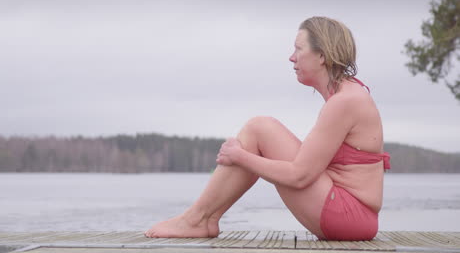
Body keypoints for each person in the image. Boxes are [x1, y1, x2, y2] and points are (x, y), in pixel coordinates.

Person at [144, 16, 391, 241]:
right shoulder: (347, 95)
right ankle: (202, 219)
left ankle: (197, 219)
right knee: (258, 129)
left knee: (259, 128)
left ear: (322, 56)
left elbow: (299, 175)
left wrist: (240, 156)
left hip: (349, 216)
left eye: (298, 49)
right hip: (351, 214)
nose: (291, 57)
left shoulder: (344, 101)